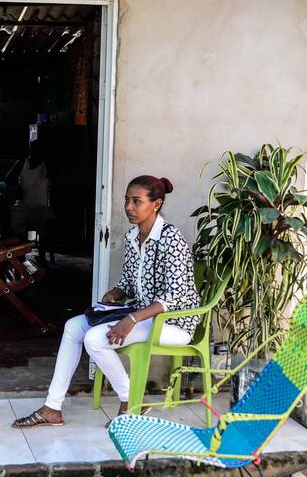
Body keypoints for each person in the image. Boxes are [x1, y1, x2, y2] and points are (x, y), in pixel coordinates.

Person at [11, 175, 201, 428]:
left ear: (156, 204)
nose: (129, 207)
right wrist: (115, 293)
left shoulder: (171, 238)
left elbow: (175, 295)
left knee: (95, 339)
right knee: (73, 327)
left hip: (173, 322)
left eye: (137, 201)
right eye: (127, 200)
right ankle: (52, 408)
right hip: (143, 315)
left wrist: (130, 319)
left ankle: (132, 401)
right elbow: (129, 282)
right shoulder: (132, 237)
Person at [9, 140, 55, 243]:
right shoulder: (22, 163)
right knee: (14, 223)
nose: (37, 154)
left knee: (46, 222)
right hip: (22, 206)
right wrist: (18, 189)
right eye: (34, 151)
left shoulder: (47, 165)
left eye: (40, 151)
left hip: (40, 207)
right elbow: (8, 179)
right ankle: (20, 248)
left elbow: (55, 179)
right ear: (30, 151)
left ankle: (38, 247)